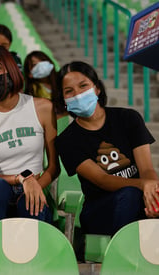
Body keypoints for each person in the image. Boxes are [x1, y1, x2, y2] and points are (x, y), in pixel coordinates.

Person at [55, 61, 159, 237]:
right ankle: (122, 257)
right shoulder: (67, 140)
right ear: (64, 100)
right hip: (99, 211)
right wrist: (143, 185)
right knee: (130, 194)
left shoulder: (128, 119)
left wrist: (153, 192)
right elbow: (102, 179)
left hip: (139, 197)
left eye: (83, 86)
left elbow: (147, 169)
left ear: (97, 88)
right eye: (69, 91)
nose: (78, 95)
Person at [0, 45, 60, 232]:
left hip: (35, 188)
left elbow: (54, 167)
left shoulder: (43, 108)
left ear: (10, 69)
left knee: (29, 202)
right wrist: (22, 179)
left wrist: (35, 186)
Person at [23, 50, 66, 119]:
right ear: (29, 73)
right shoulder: (33, 89)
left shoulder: (62, 80)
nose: (41, 65)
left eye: (42, 61)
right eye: (34, 65)